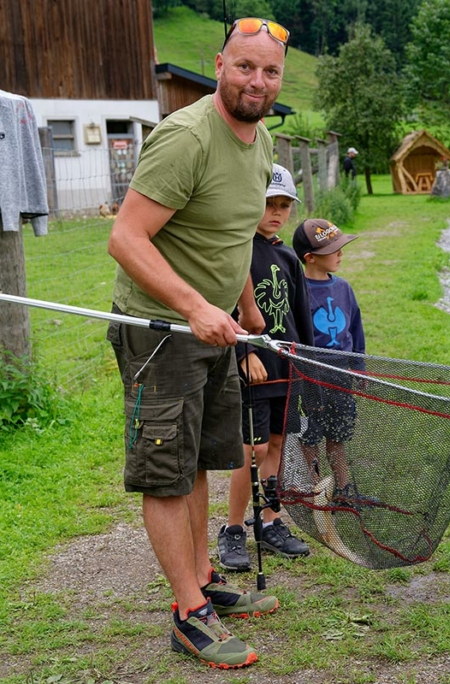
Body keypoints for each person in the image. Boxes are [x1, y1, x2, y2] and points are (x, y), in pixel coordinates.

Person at [106, 16, 289, 670]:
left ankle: (204, 581)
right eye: (244, 66)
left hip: (218, 329)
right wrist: (192, 305)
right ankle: (188, 614)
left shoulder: (261, 140)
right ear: (218, 64)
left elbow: (235, 234)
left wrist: (246, 314)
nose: (256, 81)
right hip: (162, 333)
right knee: (166, 468)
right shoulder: (186, 139)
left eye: (269, 72)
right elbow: (126, 239)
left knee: (203, 458)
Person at [218, 164, 313, 573]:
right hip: (252, 369)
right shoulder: (236, 250)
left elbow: (301, 316)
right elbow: (224, 309)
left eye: (283, 206)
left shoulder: (288, 256)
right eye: (267, 204)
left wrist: (308, 364)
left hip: (285, 367)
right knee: (251, 450)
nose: (275, 212)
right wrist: (243, 353)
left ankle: (270, 522)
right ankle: (233, 528)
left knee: (277, 444)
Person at [292, 218, 364, 498]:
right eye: (333, 249)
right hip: (310, 377)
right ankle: (317, 486)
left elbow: (356, 330)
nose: (340, 253)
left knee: (338, 435)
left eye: (341, 247)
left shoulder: (343, 288)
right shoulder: (298, 292)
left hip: (341, 375)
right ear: (310, 258)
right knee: (310, 434)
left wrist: (359, 366)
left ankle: (344, 488)